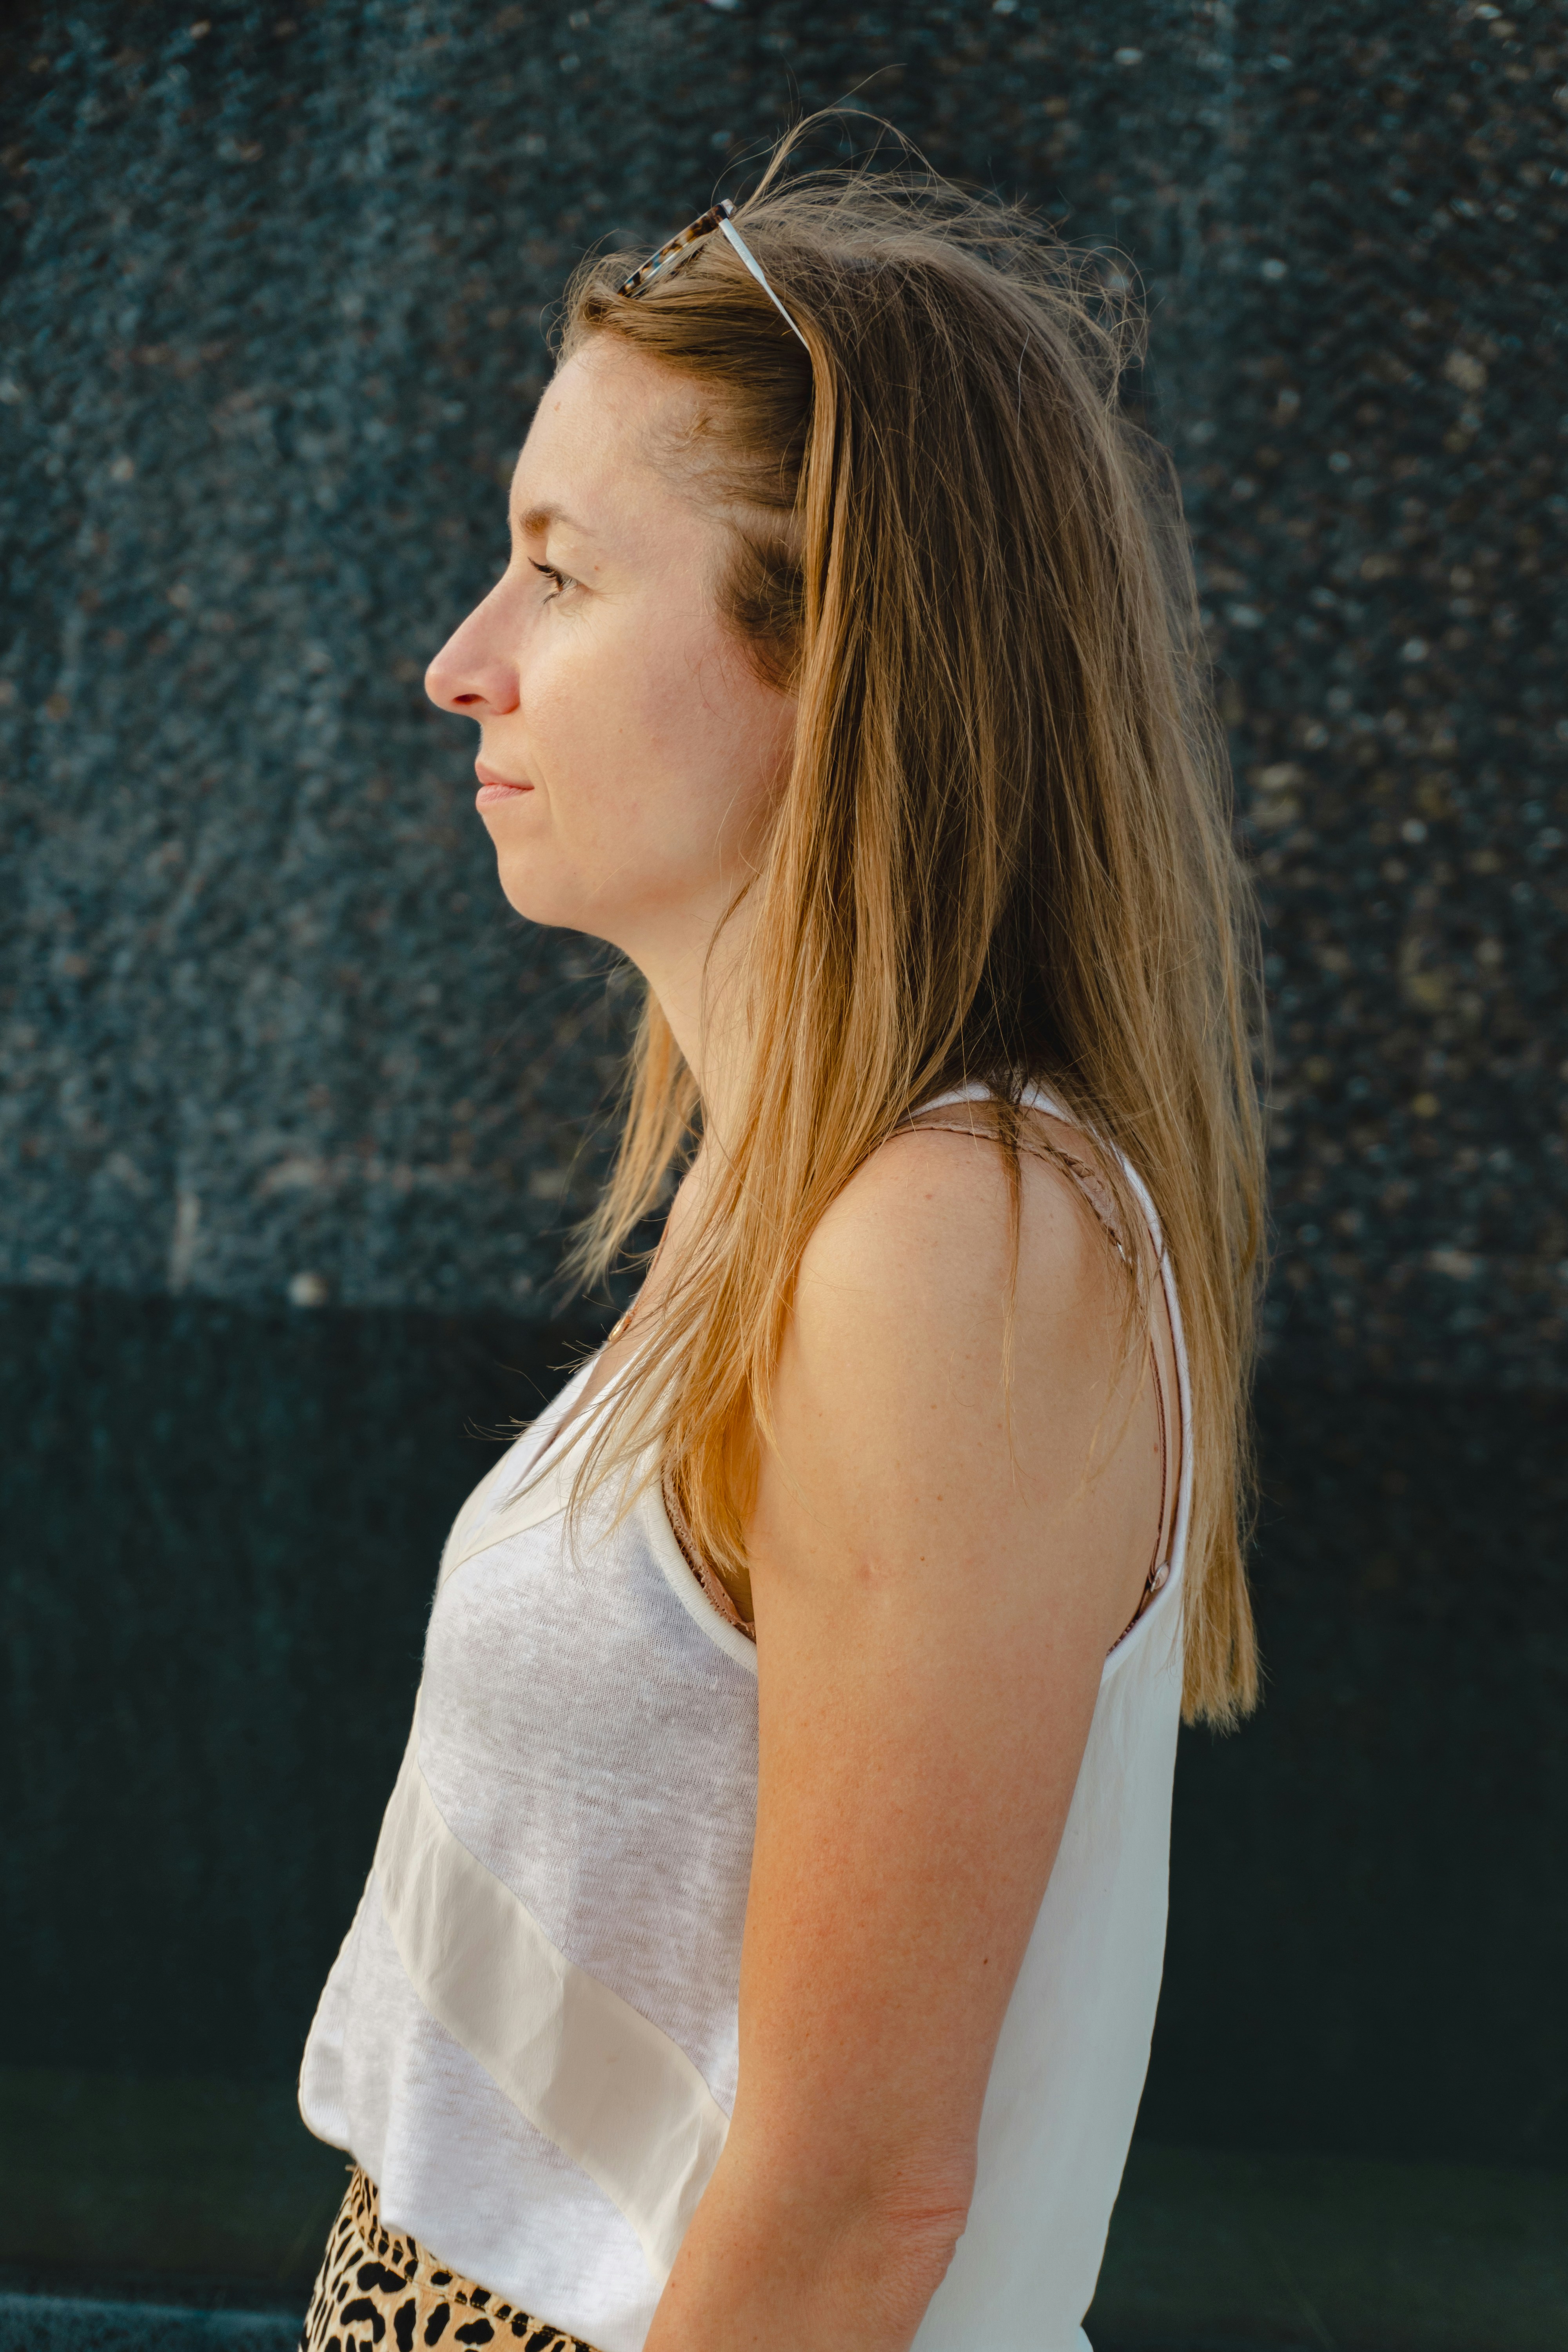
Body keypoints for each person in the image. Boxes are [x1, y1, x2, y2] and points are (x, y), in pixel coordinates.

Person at [297, 124, 1265, 2352]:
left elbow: (854, 2206)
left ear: (839, 649)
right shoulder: (818, 1198)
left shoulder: (964, 1243)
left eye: (559, 571)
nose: (467, 664)